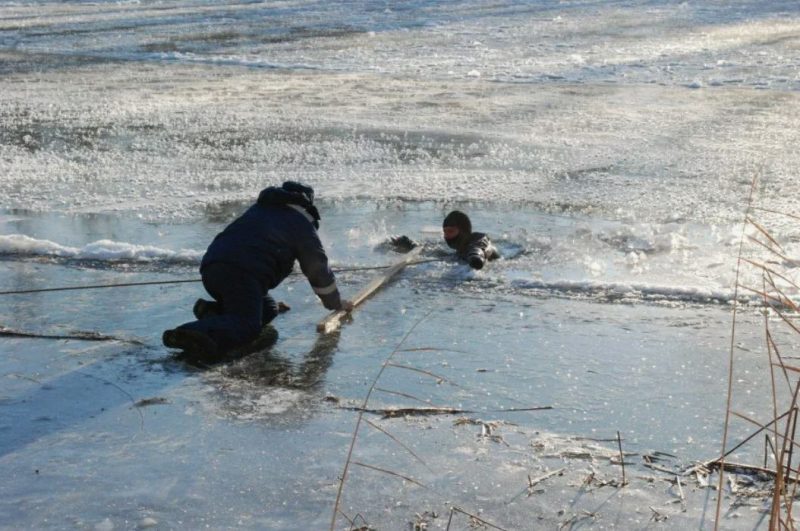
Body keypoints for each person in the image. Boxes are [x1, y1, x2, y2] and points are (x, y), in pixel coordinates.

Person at [163, 181, 352, 362]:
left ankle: (213, 313)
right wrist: (335, 303)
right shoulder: (299, 223)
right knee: (248, 325)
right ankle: (188, 333)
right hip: (240, 273)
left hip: (212, 268)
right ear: (307, 205)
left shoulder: (263, 209)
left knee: (268, 309)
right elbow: (317, 269)